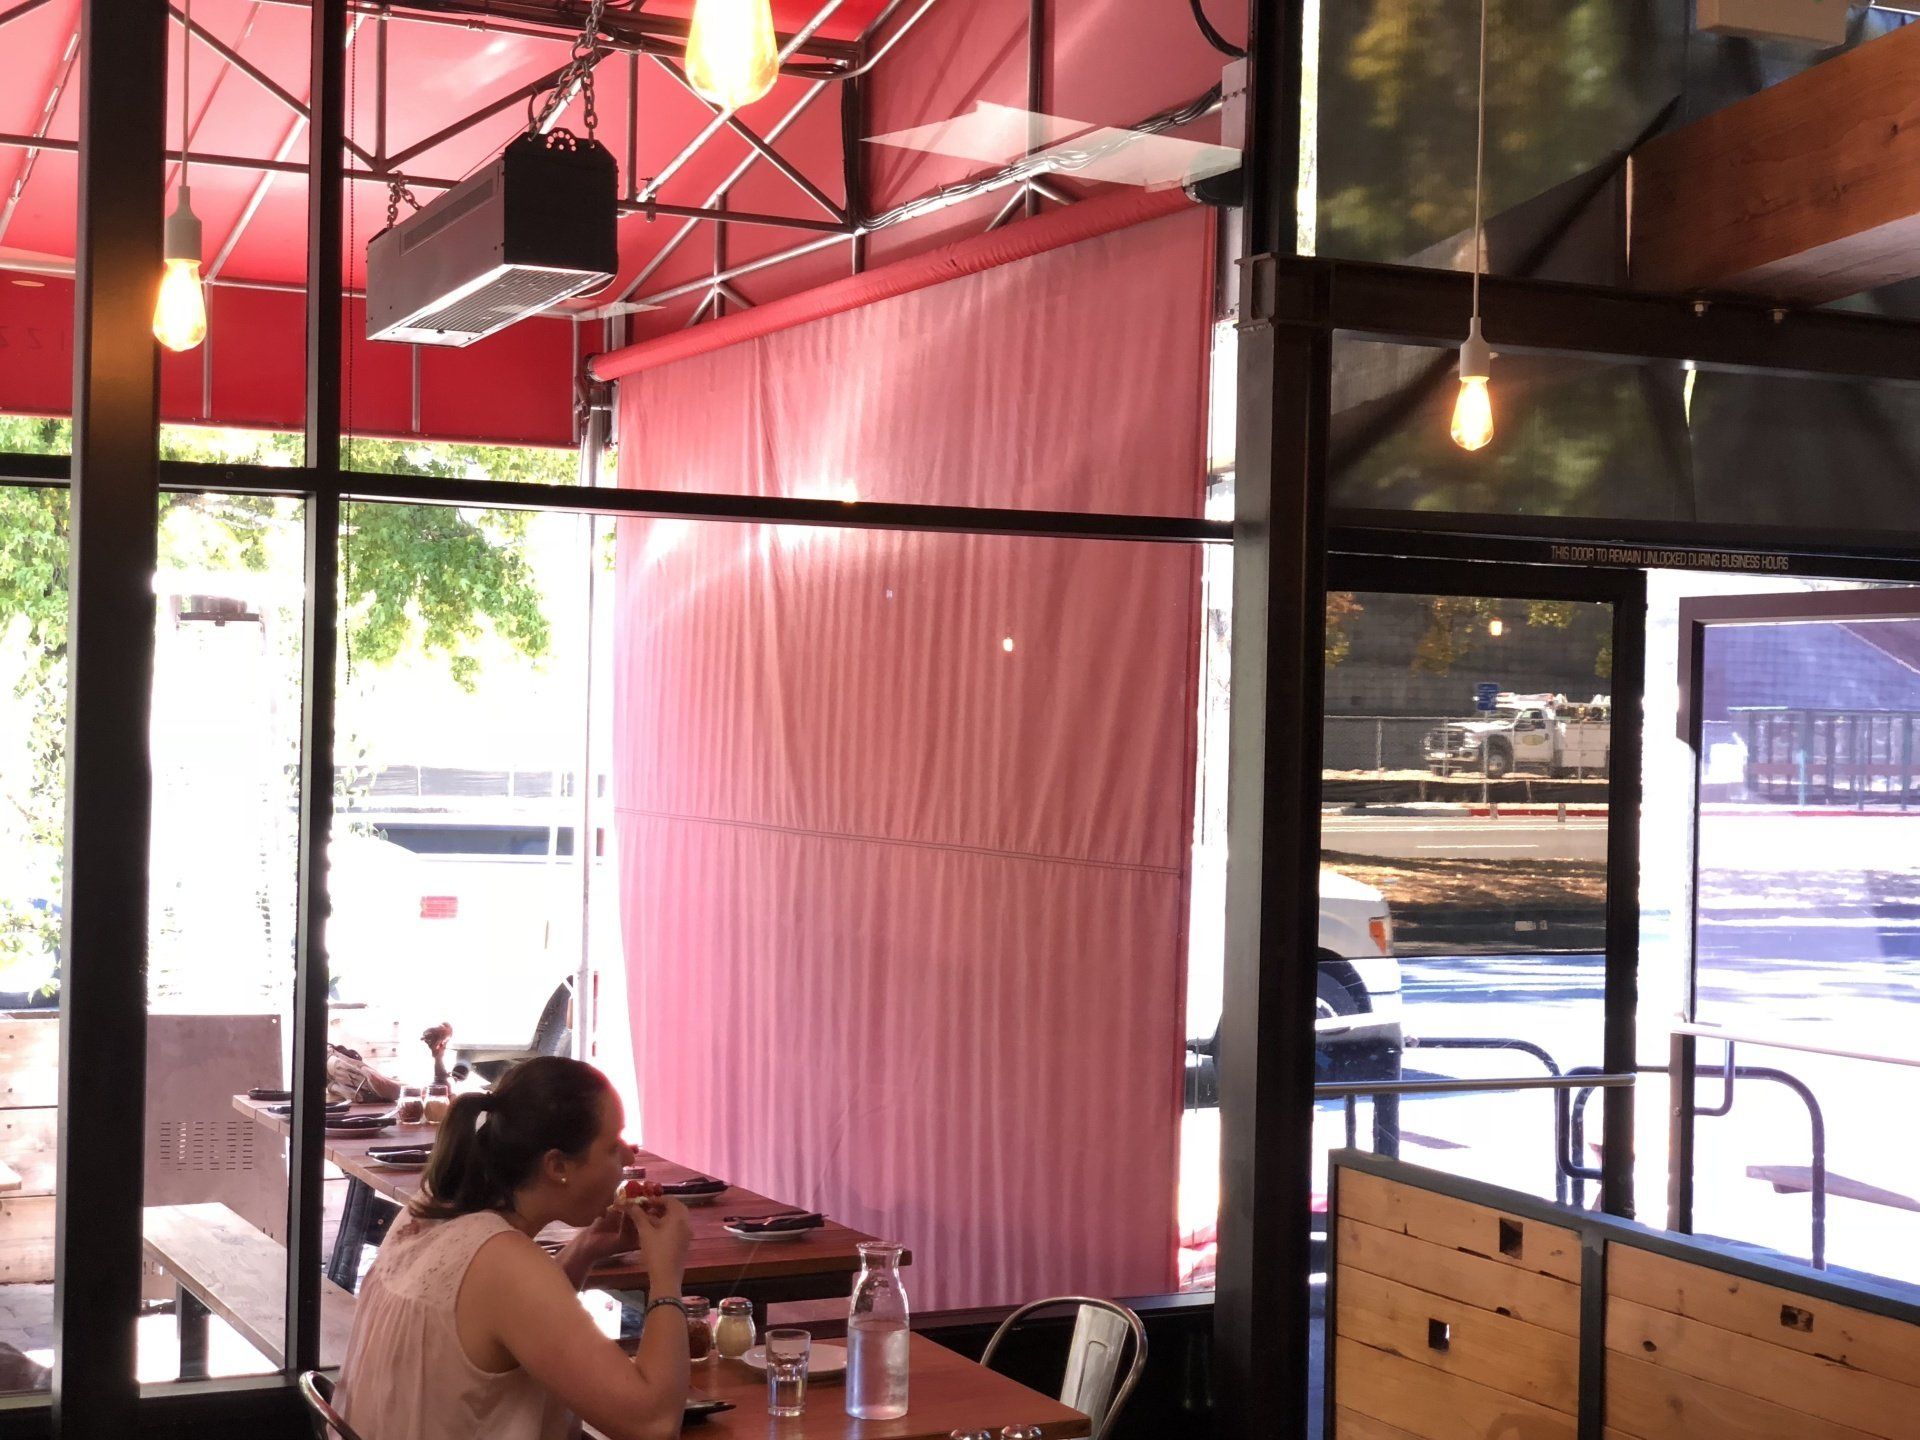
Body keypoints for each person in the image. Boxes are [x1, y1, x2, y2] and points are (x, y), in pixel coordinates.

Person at [334, 1056, 693, 1440]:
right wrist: (666, 1276)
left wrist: (587, 1247)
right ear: (557, 1166)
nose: (629, 1156)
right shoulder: (502, 1259)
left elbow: (509, 1324)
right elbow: (653, 1423)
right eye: (612, 1146)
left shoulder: (436, 1206)